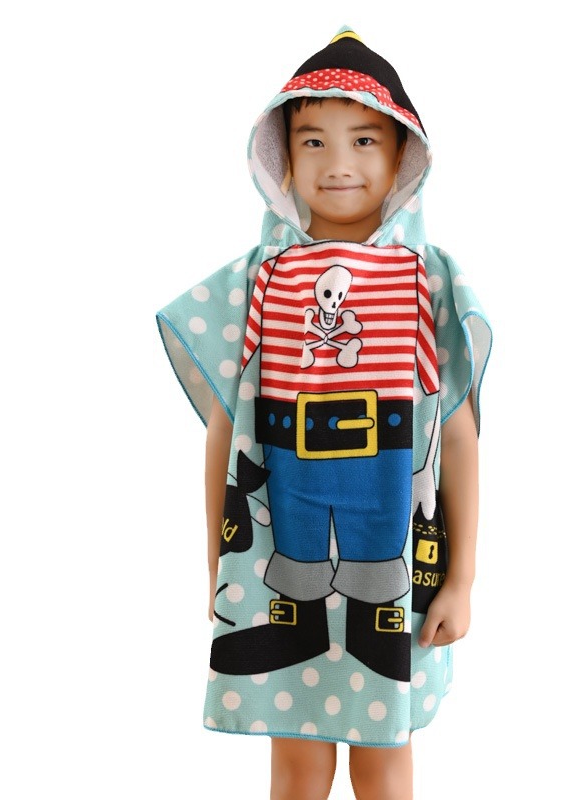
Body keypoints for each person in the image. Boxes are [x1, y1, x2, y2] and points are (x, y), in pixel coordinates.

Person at [157, 27, 492, 800]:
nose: (339, 163)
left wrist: (462, 578)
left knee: (384, 761)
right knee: (298, 764)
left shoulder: (431, 284)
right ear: (281, 158)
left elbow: (459, 436)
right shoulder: (254, 284)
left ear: (403, 156)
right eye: (313, 141)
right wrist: (218, 566)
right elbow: (224, 433)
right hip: (278, 542)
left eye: (364, 140)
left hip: (400, 552)